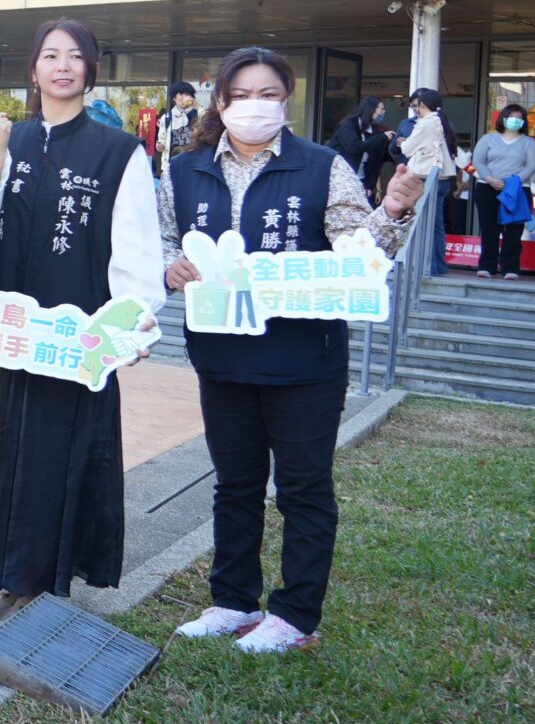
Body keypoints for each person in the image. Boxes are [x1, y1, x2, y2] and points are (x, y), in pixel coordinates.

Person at [162, 47, 424, 654]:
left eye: (269, 95)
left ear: (287, 100)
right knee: (235, 483)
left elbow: (358, 252)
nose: (256, 107)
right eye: (242, 96)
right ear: (220, 102)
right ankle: (231, 602)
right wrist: (169, 266)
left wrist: (393, 208)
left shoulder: (321, 165)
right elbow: (167, 240)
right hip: (223, 353)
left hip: (306, 358)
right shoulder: (187, 168)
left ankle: (295, 614)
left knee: (303, 488)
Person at [0, 19, 165, 622]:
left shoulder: (118, 152)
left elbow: (137, 246)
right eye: (49, 56)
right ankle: (5, 574)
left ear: (90, 70)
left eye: (75, 57)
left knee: (52, 450)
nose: (62, 66)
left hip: (74, 335)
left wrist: (132, 320)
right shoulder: (7, 143)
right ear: (33, 70)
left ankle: (38, 583)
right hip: (6, 328)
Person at [472, 103, 535, 279]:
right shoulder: (488, 139)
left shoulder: (529, 142)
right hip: (487, 187)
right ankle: (487, 266)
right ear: (503, 119)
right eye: (512, 117)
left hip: (517, 190)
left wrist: (513, 181)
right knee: (489, 229)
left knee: (513, 230)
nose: (515, 121)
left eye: (519, 118)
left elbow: (532, 165)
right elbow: (478, 161)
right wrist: (489, 178)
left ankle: (510, 267)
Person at [406, 88, 457, 275]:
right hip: (442, 178)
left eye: (416, 105)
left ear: (423, 104)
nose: (415, 109)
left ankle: (427, 267)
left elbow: (406, 148)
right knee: (436, 225)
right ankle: (437, 266)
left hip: (428, 179)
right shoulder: (442, 122)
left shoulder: (426, 123)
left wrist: (403, 142)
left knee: (424, 223)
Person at [330, 97, 391, 202]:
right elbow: (355, 147)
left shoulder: (373, 129)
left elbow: (375, 161)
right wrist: (382, 137)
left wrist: (370, 186)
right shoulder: (348, 125)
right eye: (381, 109)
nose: (383, 112)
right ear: (371, 109)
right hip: (341, 178)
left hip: (361, 180)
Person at [157, 81, 199, 178]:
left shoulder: (199, 114)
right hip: (172, 165)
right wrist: (160, 146)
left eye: (187, 94)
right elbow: (161, 139)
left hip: (194, 165)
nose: (185, 97)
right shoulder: (167, 117)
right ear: (174, 98)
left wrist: (196, 106)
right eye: (181, 94)